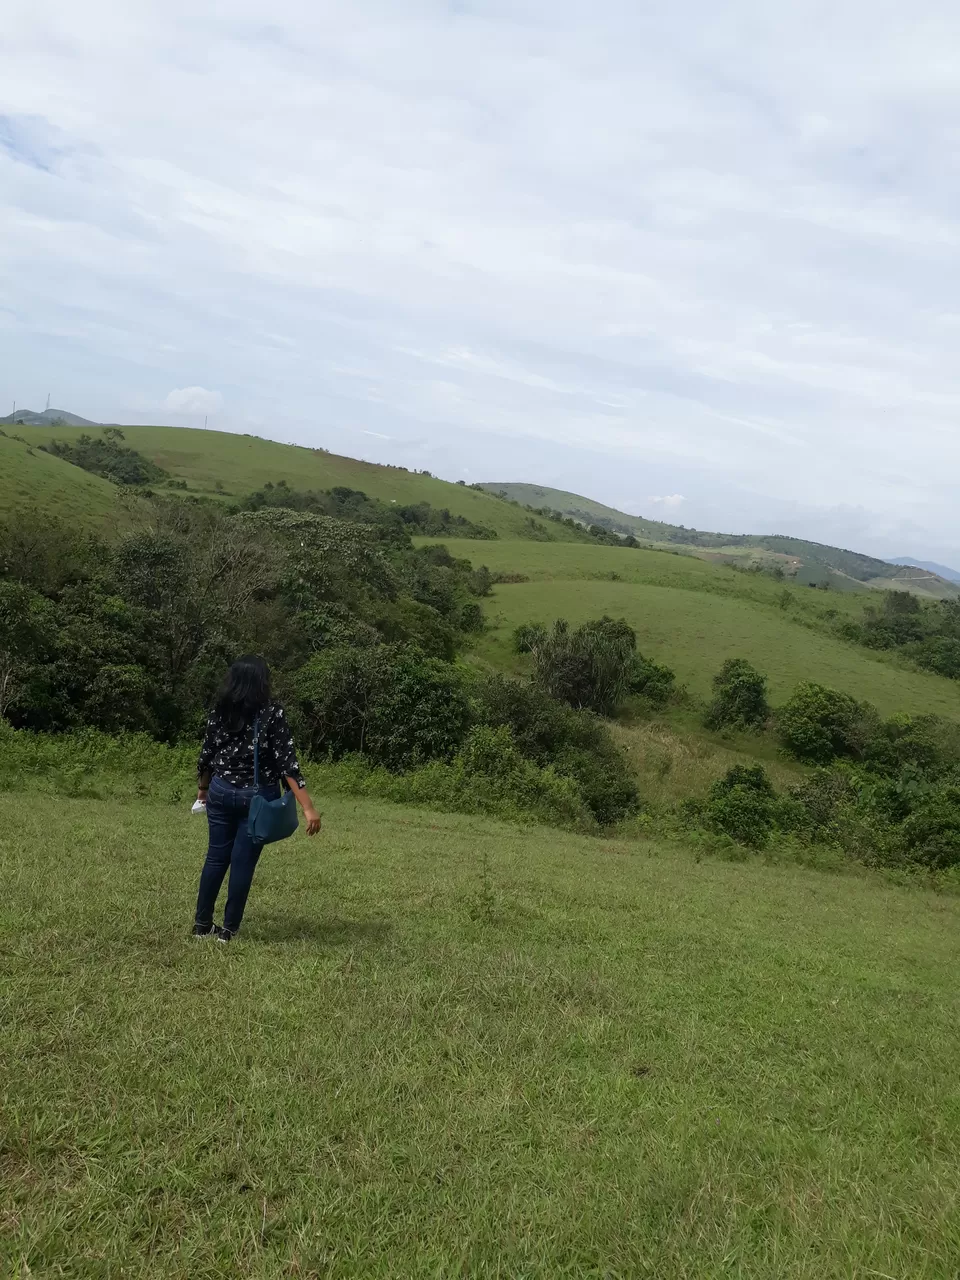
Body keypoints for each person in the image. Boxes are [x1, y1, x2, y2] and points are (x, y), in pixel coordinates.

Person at [193, 655, 321, 942]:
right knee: (242, 864)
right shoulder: (272, 713)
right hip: (258, 798)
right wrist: (308, 807)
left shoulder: (220, 710)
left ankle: (202, 926)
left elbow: (207, 755)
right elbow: (287, 764)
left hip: (220, 791)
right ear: (262, 682)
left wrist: (203, 790)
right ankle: (228, 931)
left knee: (215, 858)